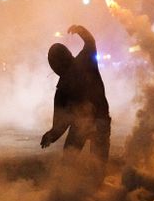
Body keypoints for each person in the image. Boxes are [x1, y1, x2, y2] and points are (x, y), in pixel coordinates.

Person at [41, 25, 111, 163]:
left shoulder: (82, 65)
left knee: (71, 160)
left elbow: (61, 121)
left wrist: (52, 135)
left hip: (93, 122)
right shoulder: (84, 62)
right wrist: (51, 135)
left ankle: (73, 180)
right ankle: (84, 179)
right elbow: (62, 119)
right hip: (95, 121)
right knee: (88, 162)